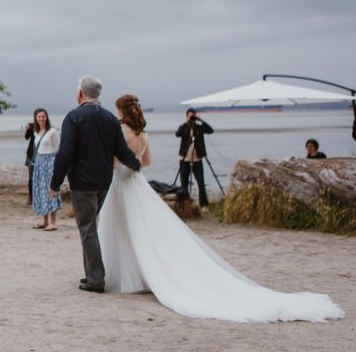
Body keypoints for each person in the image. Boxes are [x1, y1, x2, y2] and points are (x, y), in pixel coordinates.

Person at [98, 95, 343, 322]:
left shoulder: (121, 131)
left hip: (122, 184)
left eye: (117, 109)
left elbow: (113, 160)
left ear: (121, 111)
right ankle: (140, 273)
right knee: (143, 229)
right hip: (137, 184)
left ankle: (126, 276)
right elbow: (147, 162)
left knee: (122, 228)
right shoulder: (144, 134)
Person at [49, 76, 140, 293]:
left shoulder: (73, 117)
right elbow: (122, 151)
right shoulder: (110, 118)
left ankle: (96, 279)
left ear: (80, 93)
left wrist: (55, 183)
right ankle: (93, 273)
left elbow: (65, 153)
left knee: (87, 229)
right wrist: (136, 165)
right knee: (91, 227)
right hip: (104, 181)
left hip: (82, 182)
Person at [175, 108, 214, 210]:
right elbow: (177, 134)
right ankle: (185, 204)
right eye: (190, 116)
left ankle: (204, 204)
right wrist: (185, 122)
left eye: (193, 116)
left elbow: (210, 130)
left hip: (197, 158)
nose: (192, 118)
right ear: (186, 116)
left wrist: (200, 120)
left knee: (201, 182)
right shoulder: (183, 127)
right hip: (184, 158)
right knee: (184, 182)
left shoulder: (199, 127)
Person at [31, 108, 62, 231]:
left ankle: (53, 222)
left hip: (49, 163)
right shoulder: (36, 132)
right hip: (39, 163)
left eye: (43, 116)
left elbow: (58, 149)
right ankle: (45, 221)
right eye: (39, 117)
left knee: (51, 190)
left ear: (47, 117)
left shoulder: (52, 132)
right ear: (36, 118)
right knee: (41, 191)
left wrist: (53, 164)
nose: (41, 119)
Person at [24, 120, 36, 205]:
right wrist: (28, 129)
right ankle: (30, 196)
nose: (41, 119)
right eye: (39, 117)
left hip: (42, 155)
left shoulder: (46, 128)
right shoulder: (33, 128)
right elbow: (26, 137)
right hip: (31, 154)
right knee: (31, 177)